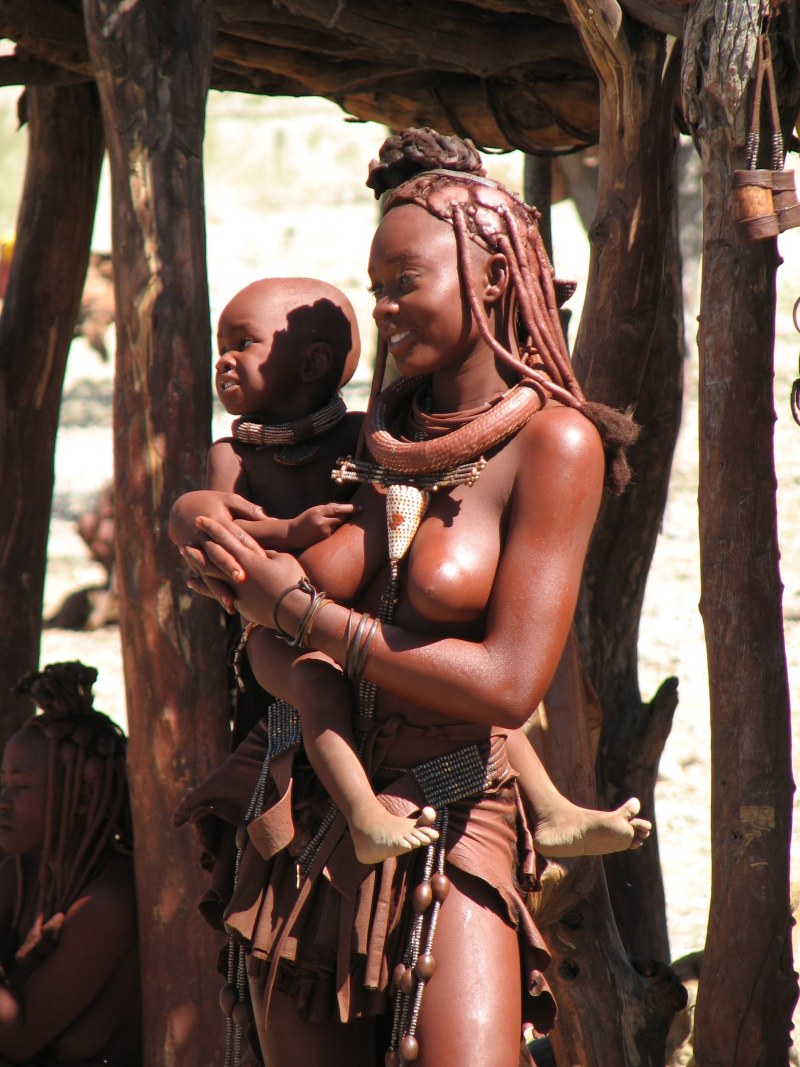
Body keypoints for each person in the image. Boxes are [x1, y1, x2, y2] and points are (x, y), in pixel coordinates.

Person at [175, 128, 648, 1067]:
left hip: (455, 806)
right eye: (376, 286)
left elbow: (510, 684)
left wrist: (298, 613)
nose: (383, 309)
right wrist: (208, 527)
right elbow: (268, 517)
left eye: (406, 283)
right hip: (310, 798)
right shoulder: (377, 432)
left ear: (496, 280)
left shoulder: (554, 445)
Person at [170, 276, 442, 862]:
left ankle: (548, 804)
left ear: (314, 362)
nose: (223, 359)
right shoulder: (232, 453)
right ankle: (364, 814)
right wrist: (289, 533)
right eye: (221, 343)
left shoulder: (363, 433)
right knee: (315, 685)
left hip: (361, 612)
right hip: (270, 626)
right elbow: (228, 530)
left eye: (243, 342)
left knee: (443, 668)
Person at [0, 661, 141, 1066]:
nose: (4, 800)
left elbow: (19, 1037)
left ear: (81, 798)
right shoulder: (21, 873)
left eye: (21, 786)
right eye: (4, 782)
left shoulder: (109, 902)